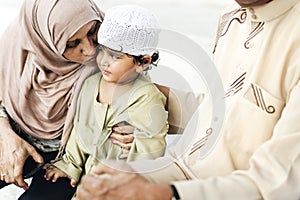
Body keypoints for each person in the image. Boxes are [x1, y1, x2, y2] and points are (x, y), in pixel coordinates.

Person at [76, 0, 300, 199]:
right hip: (175, 172)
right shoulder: (232, 16)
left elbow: (278, 184)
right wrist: (149, 106)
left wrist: (163, 193)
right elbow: (225, 109)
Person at [0, 0, 133, 199]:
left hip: (70, 155)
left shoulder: (117, 48)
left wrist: (135, 129)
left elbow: (140, 98)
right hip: (15, 133)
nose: (90, 50)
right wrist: (6, 136)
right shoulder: (20, 40)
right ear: (44, 42)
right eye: (72, 44)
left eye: (93, 30)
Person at [44, 5, 168, 190]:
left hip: (121, 184)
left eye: (115, 56)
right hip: (88, 181)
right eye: (102, 50)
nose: (103, 60)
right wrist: (70, 164)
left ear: (143, 63)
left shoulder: (146, 97)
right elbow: (79, 130)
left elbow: (151, 149)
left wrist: (127, 177)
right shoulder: (90, 84)